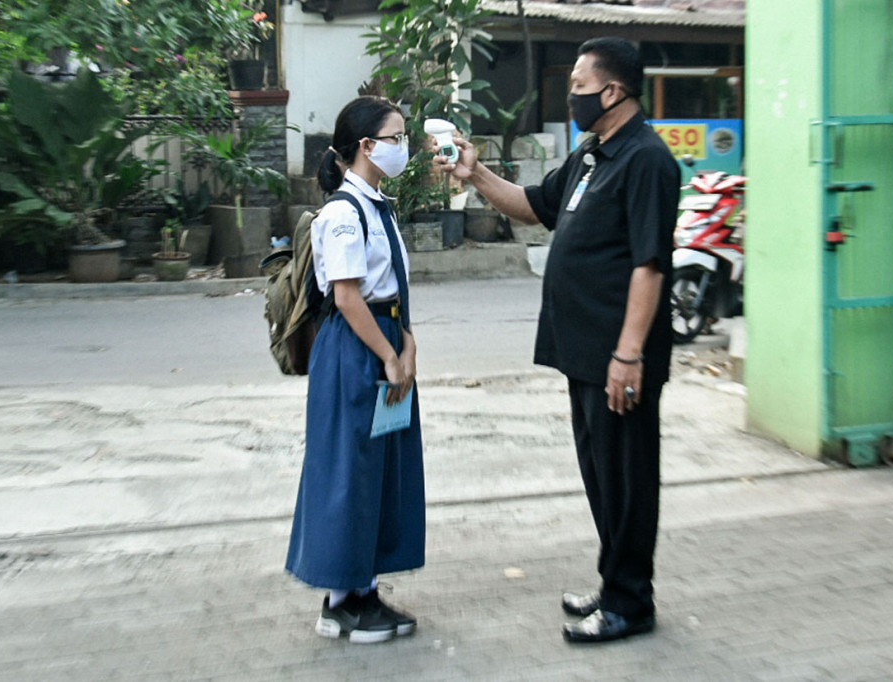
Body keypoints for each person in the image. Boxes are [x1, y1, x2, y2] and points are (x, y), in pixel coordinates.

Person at [436, 37, 680, 643]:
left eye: (577, 86)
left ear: (613, 91)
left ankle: (631, 603)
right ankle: (615, 581)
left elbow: (649, 265)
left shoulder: (647, 160)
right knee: (602, 475)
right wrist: (476, 173)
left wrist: (629, 354)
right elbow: (532, 206)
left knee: (627, 479)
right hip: (583, 352)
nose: (571, 96)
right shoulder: (593, 155)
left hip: (618, 357)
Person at [285, 96, 425, 644]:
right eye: (396, 137)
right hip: (356, 350)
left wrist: (408, 342)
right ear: (366, 146)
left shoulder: (378, 206)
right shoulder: (344, 213)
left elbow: (393, 290)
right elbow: (346, 297)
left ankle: (362, 590)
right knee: (349, 470)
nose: (403, 147)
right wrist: (389, 357)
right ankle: (340, 601)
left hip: (386, 339)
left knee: (378, 470)